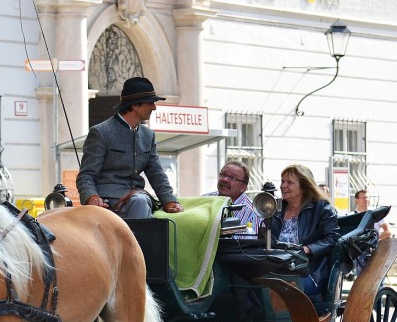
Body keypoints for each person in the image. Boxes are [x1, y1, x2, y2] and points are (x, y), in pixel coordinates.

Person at [76, 77, 183, 219]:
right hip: (109, 202)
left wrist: (169, 201)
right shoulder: (101, 132)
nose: (154, 107)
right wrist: (92, 197)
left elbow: (156, 174)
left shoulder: (148, 135)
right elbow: (86, 175)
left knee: (149, 206)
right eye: (150, 102)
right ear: (134, 105)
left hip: (138, 197)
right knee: (140, 202)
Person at [269, 164, 339, 297]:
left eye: (289, 182)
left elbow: (332, 238)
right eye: (282, 181)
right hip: (275, 269)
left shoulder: (322, 208)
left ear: (303, 188)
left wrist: (308, 249)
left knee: (276, 290)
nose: (283, 185)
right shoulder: (275, 208)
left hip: (308, 272)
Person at [204, 160, 259, 235]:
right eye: (223, 175)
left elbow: (252, 245)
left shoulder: (253, 213)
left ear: (243, 187)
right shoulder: (205, 200)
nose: (225, 179)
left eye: (232, 178)